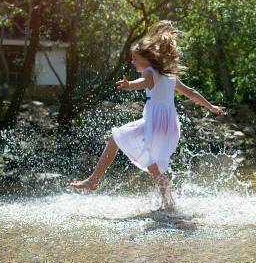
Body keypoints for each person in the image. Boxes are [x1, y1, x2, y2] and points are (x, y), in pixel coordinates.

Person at [71, 20, 225, 208]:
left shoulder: (150, 72)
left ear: (146, 59)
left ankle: (94, 180)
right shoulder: (170, 77)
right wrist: (211, 107)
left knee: (116, 138)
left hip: (155, 124)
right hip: (169, 127)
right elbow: (191, 92)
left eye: (135, 59)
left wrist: (129, 85)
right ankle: (169, 203)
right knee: (153, 166)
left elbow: (145, 82)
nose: (133, 62)